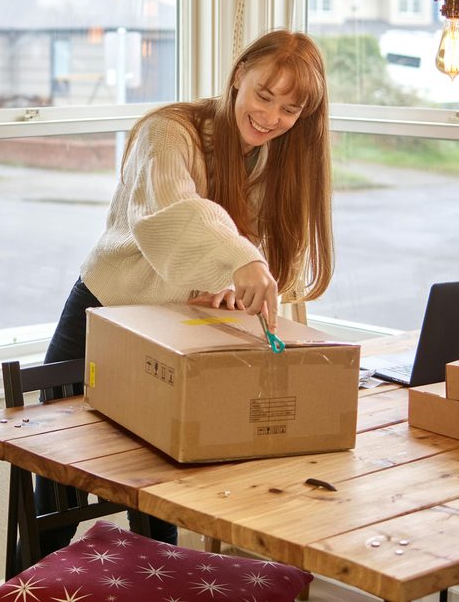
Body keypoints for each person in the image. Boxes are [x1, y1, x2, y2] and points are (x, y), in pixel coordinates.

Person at [36, 29, 335, 554]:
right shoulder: (167, 133)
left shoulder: (277, 159)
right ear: (238, 74)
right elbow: (172, 214)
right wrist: (239, 261)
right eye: (264, 95)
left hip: (177, 334)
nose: (271, 117)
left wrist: (228, 288)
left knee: (162, 494)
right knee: (58, 500)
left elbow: (253, 257)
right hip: (105, 317)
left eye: (290, 110)